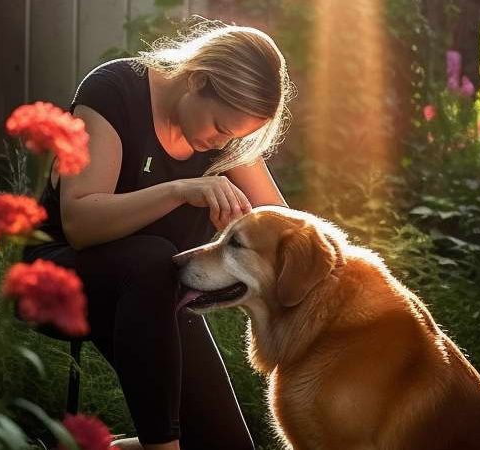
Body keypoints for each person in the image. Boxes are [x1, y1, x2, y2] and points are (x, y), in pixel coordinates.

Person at [21, 17, 294, 450]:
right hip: (60, 277)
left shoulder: (223, 139)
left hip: (155, 296)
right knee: (153, 258)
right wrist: (180, 189)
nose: (224, 145)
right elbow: (80, 223)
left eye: (237, 138)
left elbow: (283, 226)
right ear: (198, 80)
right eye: (222, 129)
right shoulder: (114, 91)